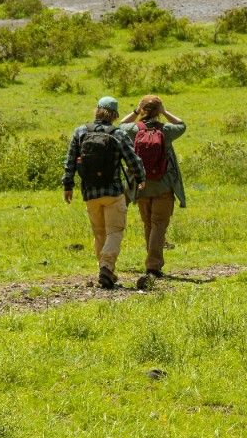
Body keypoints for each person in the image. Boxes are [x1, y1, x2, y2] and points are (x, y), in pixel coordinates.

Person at [63, 96, 147, 289]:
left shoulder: (80, 132)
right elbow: (132, 160)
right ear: (115, 115)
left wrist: (68, 186)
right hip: (113, 191)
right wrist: (141, 178)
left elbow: (69, 162)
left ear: (97, 111)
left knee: (99, 233)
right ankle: (107, 268)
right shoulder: (117, 134)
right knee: (115, 231)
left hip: (89, 193)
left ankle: (104, 268)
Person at [120, 95, 186, 291]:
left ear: (142, 110)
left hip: (141, 185)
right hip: (163, 185)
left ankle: (152, 261)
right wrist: (165, 112)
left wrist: (135, 111)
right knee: (159, 224)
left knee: (148, 223)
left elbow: (121, 125)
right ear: (158, 111)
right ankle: (153, 266)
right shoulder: (166, 130)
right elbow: (182, 124)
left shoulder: (134, 130)